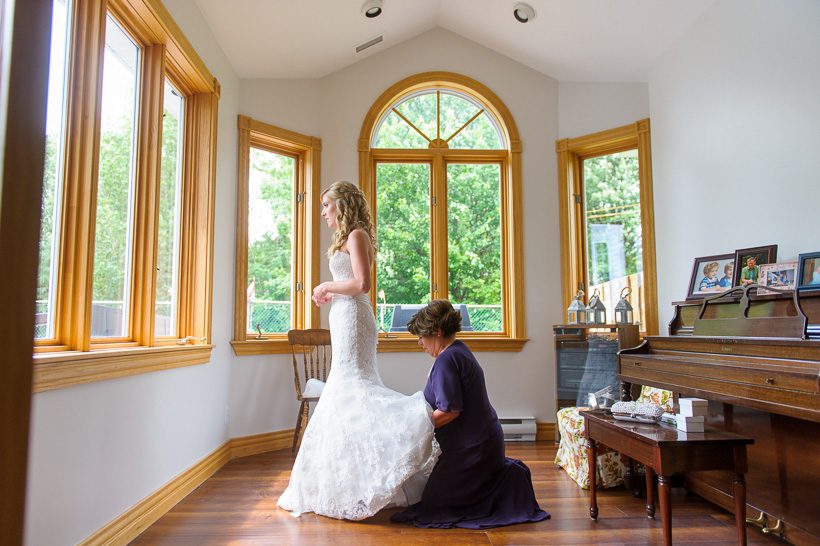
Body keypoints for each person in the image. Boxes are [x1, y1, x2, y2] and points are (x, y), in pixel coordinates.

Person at [277, 181, 438, 520]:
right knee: (345, 389)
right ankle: (351, 481)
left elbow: (362, 284)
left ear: (343, 204)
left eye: (327, 205)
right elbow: (350, 283)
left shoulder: (357, 235)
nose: (323, 213)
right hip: (344, 315)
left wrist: (325, 286)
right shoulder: (348, 237)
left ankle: (410, 426)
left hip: (354, 318)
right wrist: (329, 294)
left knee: (351, 386)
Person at [391, 300, 550, 529]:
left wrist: (416, 430)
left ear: (437, 332)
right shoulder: (458, 349)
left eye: (421, 336)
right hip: (483, 441)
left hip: (473, 449)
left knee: (434, 507)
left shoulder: (447, 359)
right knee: (432, 499)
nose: (419, 343)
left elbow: (449, 411)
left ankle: (501, 486)